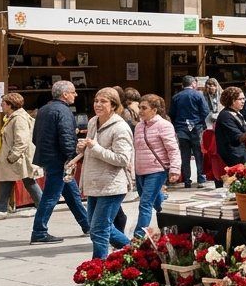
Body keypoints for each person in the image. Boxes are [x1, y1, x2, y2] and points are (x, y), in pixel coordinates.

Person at [78, 88, 135, 259]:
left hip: (111, 185)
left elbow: (122, 159)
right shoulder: (92, 122)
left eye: (103, 101)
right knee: (98, 226)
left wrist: (94, 148)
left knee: (99, 229)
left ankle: (98, 268)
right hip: (93, 182)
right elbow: (91, 149)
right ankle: (135, 252)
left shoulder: (120, 128)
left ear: (113, 105)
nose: (98, 104)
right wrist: (82, 147)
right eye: (96, 100)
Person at [30, 81, 89, 243]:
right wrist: (72, 158)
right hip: (60, 160)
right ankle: (39, 232)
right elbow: (67, 137)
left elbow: (35, 137)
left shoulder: (43, 109)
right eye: (73, 92)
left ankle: (88, 225)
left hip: (49, 157)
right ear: (65, 94)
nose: (75, 95)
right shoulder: (63, 111)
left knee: (72, 194)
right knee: (50, 196)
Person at [132, 94, 180, 237]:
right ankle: (170, 224)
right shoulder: (139, 126)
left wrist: (175, 169)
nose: (140, 110)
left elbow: (173, 149)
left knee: (145, 203)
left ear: (154, 110)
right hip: (140, 170)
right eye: (140, 107)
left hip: (157, 170)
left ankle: (139, 237)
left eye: (144, 108)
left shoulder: (164, 125)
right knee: (158, 204)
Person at [0, 93, 43, 220]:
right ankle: (1, 208)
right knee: (8, 181)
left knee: (28, 180)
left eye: (3, 103)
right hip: (15, 158)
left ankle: (42, 206)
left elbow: (22, 140)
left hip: (18, 158)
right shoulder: (12, 117)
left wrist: (12, 156)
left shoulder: (19, 118)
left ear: (10, 105)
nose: (1, 105)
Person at [171, 76, 209, 188]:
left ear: (182, 85)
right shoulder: (199, 95)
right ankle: (201, 178)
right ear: (193, 84)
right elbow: (205, 111)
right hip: (196, 127)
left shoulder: (176, 97)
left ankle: (187, 180)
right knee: (198, 154)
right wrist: (202, 123)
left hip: (181, 128)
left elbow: (172, 113)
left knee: (185, 155)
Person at [215, 87, 246, 172]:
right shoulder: (225, 116)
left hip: (241, 154)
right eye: (240, 99)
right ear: (232, 100)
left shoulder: (236, 113)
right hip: (233, 157)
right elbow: (236, 137)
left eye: (244, 98)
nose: (243, 101)